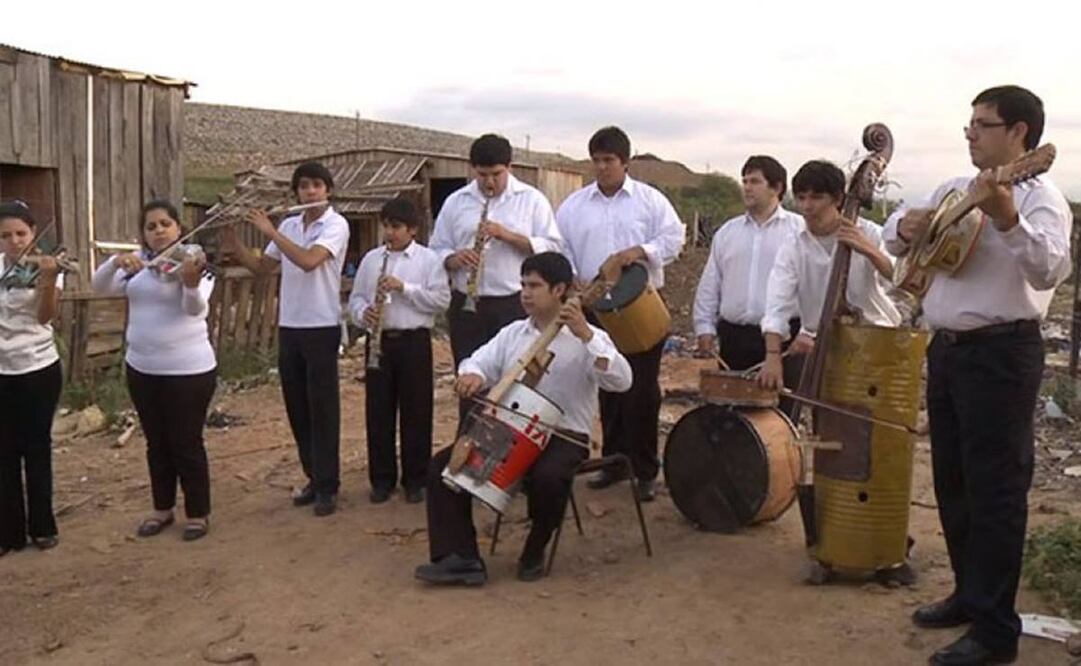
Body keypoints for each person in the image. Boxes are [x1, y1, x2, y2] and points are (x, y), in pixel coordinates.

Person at [884, 85, 1072, 666]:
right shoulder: (952, 189)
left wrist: (1008, 219)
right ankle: (971, 594)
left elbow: (1050, 270)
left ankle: (995, 632)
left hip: (1001, 356)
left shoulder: (1042, 198)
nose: (970, 132)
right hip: (948, 352)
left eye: (983, 124)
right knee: (954, 482)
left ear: (1020, 135)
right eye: (969, 123)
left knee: (996, 493)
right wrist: (908, 226)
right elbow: (893, 233)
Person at [415, 252, 631, 585]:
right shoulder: (514, 333)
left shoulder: (588, 337)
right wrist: (470, 375)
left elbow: (622, 380)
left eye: (534, 286)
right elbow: (477, 361)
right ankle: (460, 559)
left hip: (565, 435)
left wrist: (586, 336)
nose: (525, 293)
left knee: (548, 477)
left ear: (560, 289)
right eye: (522, 285)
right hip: (509, 429)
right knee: (444, 468)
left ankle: (536, 545)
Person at [555, 126, 685, 500]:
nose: (602, 167)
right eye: (596, 160)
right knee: (608, 386)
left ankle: (644, 470)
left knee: (642, 390)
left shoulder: (650, 201)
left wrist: (639, 251)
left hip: (641, 307)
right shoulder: (575, 205)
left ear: (625, 162)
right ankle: (614, 463)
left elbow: (673, 239)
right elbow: (559, 245)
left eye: (609, 160)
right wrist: (573, 281)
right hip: (596, 310)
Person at [223, 162, 350, 517]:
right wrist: (235, 244)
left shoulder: (336, 225)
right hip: (290, 326)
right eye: (304, 186)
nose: (309, 192)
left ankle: (329, 485)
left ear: (327, 190)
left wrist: (270, 231)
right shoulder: (291, 224)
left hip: (321, 326)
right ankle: (313, 476)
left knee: (323, 409)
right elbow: (263, 268)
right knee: (298, 407)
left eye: (316, 186)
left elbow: (309, 261)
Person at [92, 200, 217, 541]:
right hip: (142, 367)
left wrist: (188, 284)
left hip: (189, 369)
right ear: (144, 234)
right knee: (156, 443)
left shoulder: (196, 264)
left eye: (165, 224)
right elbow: (100, 287)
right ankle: (162, 508)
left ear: (178, 228)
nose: (159, 230)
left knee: (186, 442)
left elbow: (195, 310)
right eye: (151, 226)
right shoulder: (139, 264)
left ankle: (197, 512)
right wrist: (115, 261)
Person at [429, 133, 563, 428]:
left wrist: (508, 236)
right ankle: (469, 456)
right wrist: (454, 258)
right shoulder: (456, 202)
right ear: (472, 169)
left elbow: (553, 247)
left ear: (510, 167)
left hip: (514, 304)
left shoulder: (531, 200)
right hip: (467, 304)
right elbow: (436, 248)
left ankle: (511, 455)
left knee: (516, 381)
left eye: (496, 174)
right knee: (470, 381)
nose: (489, 182)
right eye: (482, 175)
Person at [757, 160, 901, 392]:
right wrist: (773, 356)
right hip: (825, 347)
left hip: (877, 341)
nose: (806, 206)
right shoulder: (793, 244)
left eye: (816, 198)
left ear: (837, 199)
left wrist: (868, 249)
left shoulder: (869, 232)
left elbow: (899, 277)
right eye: (801, 197)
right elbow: (777, 302)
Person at [348, 198, 450, 504]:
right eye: (386, 226)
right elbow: (355, 300)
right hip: (380, 341)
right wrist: (363, 313)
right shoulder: (370, 260)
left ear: (413, 230)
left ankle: (416, 479)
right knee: (378, 412)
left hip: (414, 342)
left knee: (416, 411)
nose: (389, 233)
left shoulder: (429, 260)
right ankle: (381, 479)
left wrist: (404, 288)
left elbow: (441, 300)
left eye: (396, 227)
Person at [692, 155, 805, 414]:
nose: (747, 187)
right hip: (734, 338)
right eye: (744, 181)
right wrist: (704, 328)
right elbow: (711, 283)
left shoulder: (799, 231)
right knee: (731, 420)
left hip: (785, 340)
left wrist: (808, 332)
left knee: (780, 420)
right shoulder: (728, 233)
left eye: (755, 181)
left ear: (776, 188)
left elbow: (812, 287)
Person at [0, 202, 63, 556]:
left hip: (38, 367)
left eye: (21, 234)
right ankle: (9, 532)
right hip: (0, 370)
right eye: (5, 236)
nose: (14, 242)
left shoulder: (46, 266)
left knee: (37, 447)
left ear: (33, 232)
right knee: (3, 452)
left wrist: (50, 280)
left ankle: (43, 526)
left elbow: (44, 317)